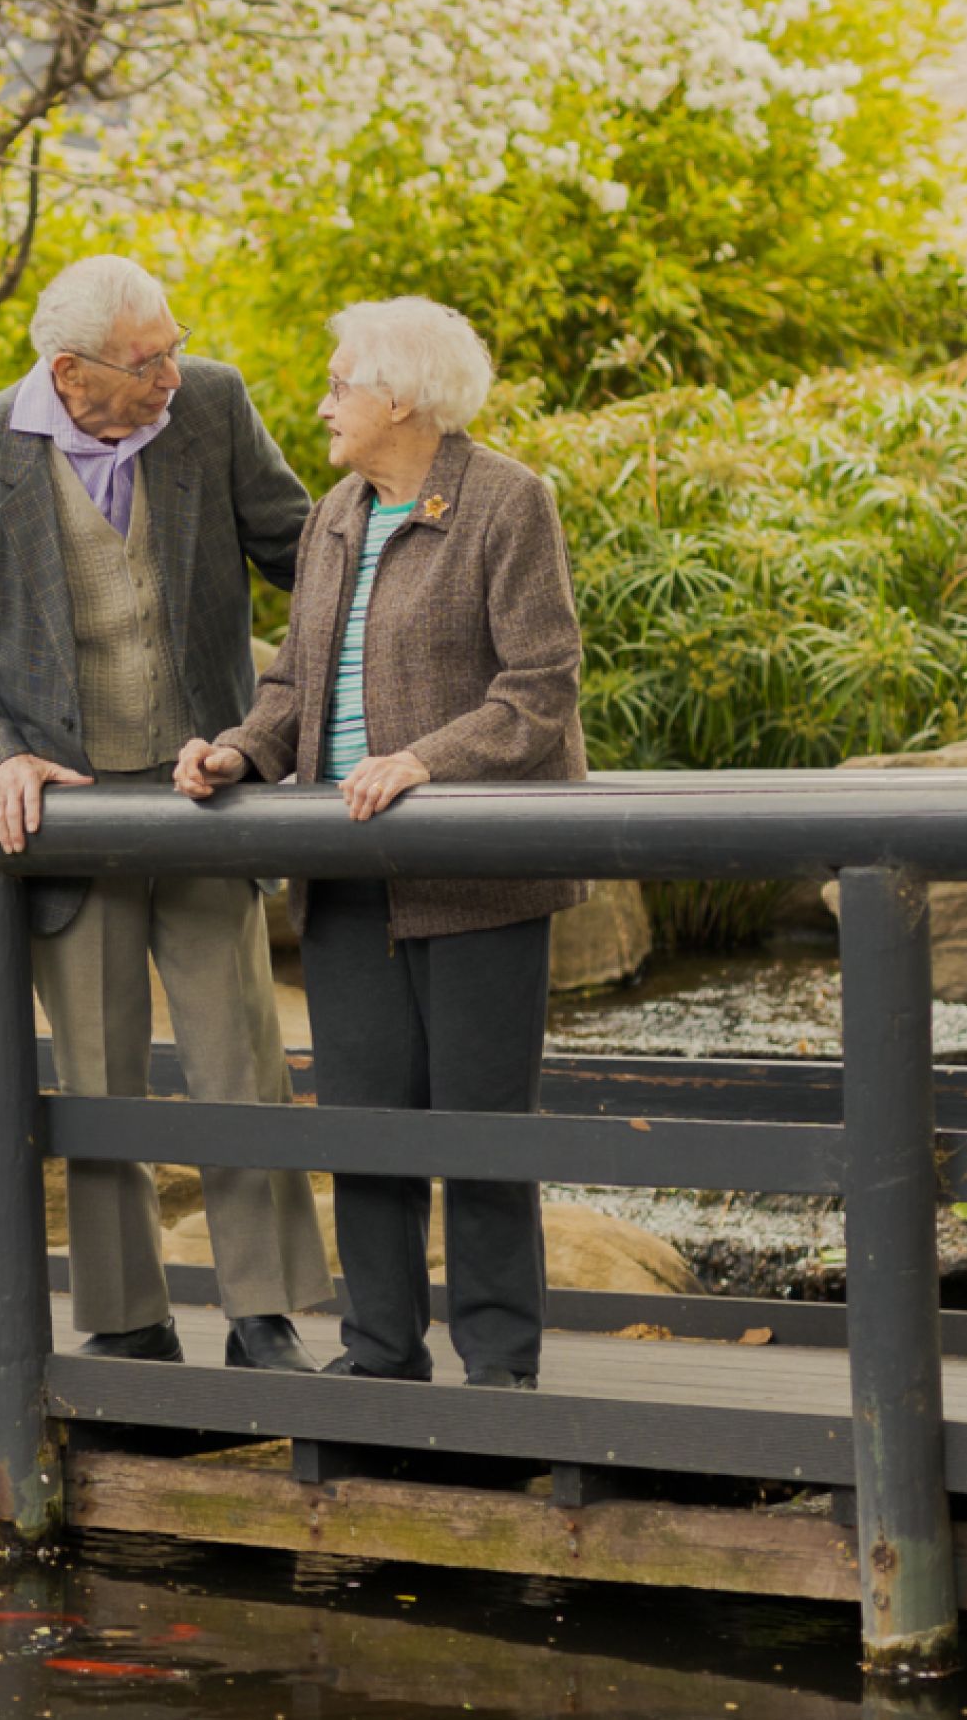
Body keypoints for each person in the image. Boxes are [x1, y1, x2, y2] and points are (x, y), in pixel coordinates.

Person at [0, 253, 332, 1372]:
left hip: (205, 797)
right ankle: (128, 1320)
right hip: (71, 817)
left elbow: (306, 558)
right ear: (69, 373)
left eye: (176, 346)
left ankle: (263, 1312)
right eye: (149, 362)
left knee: (242, 1054)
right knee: (97, 1069)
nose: (172, 374)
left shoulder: (212, 407)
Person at [172, 297, 585, 1390]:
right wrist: (238, 755)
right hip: (348, 874)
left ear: (401, 396)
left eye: (340, 383)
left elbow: (539, 686)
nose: (324, 403)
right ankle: (382, 1362)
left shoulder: (506, 502)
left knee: (483, 1142)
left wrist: (425, 762)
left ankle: (500, 1378)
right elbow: (294, 684)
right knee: (365, 1137)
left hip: (478, 877)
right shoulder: (336, 516)